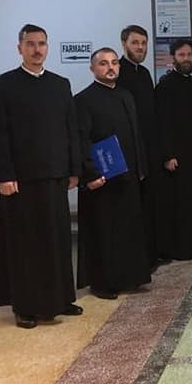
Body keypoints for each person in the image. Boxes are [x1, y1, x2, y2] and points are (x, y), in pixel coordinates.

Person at [0, 24, 82, 329]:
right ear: (20, 48)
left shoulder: (60, 84)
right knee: (25, 245)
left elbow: (71, 129)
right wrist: (3, 175)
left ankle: (60, 299)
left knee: (57, 240)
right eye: (31, 44)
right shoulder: (2, 85)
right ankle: (25, 306)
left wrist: (74, 169)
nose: (37, 49)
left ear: (47, 47)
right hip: (20, 181)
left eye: (42, 44)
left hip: (55, 177)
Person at [75, 47, 152, 299]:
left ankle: (130, 277)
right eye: (103, 63)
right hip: (102, 179)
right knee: (103, 231)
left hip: (129, 176)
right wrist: (90, 174)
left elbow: (136, 133)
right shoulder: (83, 99)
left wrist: (141, 167)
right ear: (92, 68)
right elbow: (81, 140)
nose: (110, 67)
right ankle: (102, 283)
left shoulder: (126, 95)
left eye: (114, 63)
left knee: (128, 228)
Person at [154, 39, 192, 260]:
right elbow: (162, 123)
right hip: (175, 155)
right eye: (181, 55)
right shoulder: (165, 86)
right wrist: (168, 155)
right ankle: (179, 248)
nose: (186, 59)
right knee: (178, 202)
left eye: (189, 55)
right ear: (173, 58)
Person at [116, 25, 162, 267]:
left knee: (149, 203)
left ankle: (150, 255)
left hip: (148, 148)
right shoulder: (117, 72)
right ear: (124, 43)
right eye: (135, 43)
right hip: (127, 149)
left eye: (143, 43)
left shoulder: (144, 73)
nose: (140, 47)